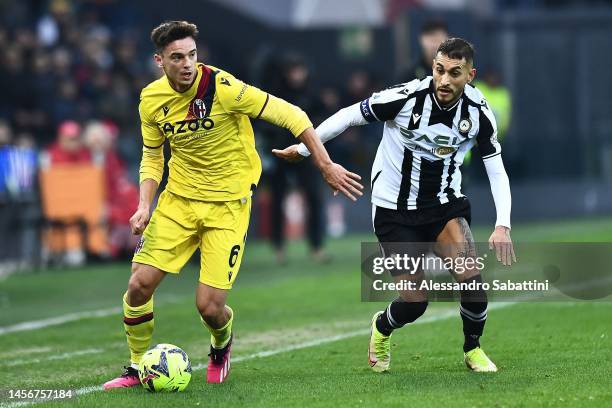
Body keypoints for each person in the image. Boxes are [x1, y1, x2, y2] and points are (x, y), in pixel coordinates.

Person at [103, 21, 362, 389]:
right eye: (177, 57)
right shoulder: (151, 99)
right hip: (178, 202)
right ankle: (134, 366)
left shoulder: (222, 88)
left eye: (192, 55)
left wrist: (324, 163)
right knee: (138, 286)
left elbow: (294, 116)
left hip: (227, 206)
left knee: (209, 307)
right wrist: (145, 203)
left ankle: (221, 343)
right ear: (160, 61)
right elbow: (152, 155)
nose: (188, 64)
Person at [273, 38, 515, 373]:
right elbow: (348, 116)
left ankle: (472, 349)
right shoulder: (406, 97)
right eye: (439, 70)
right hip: (393, 212)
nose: (444, 80)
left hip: (444, 206)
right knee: (416, 303)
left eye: (454, 73)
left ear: (470, 75)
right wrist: (304, 151)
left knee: (472, 283)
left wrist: (502, 225)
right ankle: (382, 328)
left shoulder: (478, 113)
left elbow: (496, 168)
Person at [395, 19, 449, 83]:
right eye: (431, 40)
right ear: (421, 40)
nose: (434, 45)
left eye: (438, 40)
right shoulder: (408, 74)